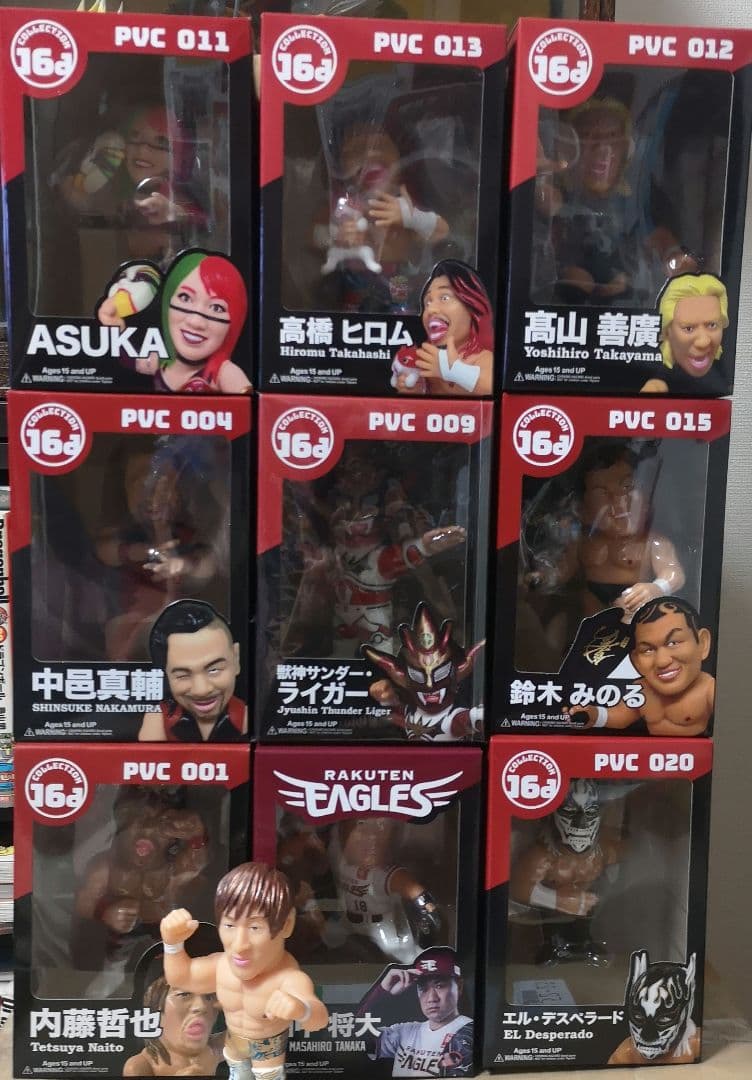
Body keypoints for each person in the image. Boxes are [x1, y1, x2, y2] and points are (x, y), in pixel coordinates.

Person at [159, 862, 329, 1080]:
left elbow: (318, 1019)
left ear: (286, 925)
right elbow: (181, 978)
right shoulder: (222, 966)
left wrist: (300, 1009)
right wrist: (172, 945)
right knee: (238, 1074)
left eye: (255, 927)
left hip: (267, 1049)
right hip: (233, 1045)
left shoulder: (287, 978)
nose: (239, 945)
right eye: (229, 925)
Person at [525, 441, 685, 621]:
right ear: (582, 509)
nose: (618, 502)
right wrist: (545, 577)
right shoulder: (583, 541)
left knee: (631, 619)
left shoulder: (653, 543)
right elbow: (565, 568)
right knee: (585, 617)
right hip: (592, 598)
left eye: (627, 487)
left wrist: (657, 588)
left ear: (647, 500)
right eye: (602, 493)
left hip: (633, 599)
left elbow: (674, 573)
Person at [317, 124, 449, 313]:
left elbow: (442, 231)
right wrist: (336, 235)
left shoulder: (407, 203)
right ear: (339, 166)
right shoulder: (343, 203)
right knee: (350, 306)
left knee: (401, 307)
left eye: (381, 146)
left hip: (396, 274)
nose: (370, 155)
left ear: (403, 158)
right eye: (356, 151)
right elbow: (314, 236)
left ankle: (400, 317)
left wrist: (408, 217)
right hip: (356, 274)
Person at [56, 104, 205, 266]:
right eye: (134, 137)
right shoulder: (113, 189)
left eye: (161, 142)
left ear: (179, 154)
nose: (143, 149)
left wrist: (177, 213)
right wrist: (77, 200)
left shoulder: (176, 196)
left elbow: (204, 225)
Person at [98, 250, 251, 393]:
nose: (195, 322)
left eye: (217, 308)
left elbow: (252, 407)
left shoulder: (225, 373)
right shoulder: (162, 360)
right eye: (185, 297)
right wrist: (113, 323)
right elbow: (127, 357)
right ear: (167, 302)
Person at [510, 780, 622, 968]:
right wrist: (556, 900)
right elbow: (519, 887)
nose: (581, 822)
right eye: (571, 812)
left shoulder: (603, 850)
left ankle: (585, 944)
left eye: (589, 813)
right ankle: (554, 946)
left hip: (589, 912)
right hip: (551, 916)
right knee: (553, 927)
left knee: (587, 923)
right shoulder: (543, 854)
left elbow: (633, 854)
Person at [566, 597, 714, 736]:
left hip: (694, 753)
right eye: (648, 650)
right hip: (645, 752)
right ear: (635, 660)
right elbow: (621, 716)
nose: (662, 661)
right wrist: (595, 716)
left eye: (673, 643)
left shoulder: (709, 689)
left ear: (703, 643)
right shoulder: (641, 689)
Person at [364, 601, 484, 742]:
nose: (429, 684)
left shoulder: (452, 719)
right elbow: (388, 714)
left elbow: (474, 719)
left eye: (440, 673)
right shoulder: (410, 711)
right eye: (417, 675)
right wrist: (384, 693)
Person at [139, 600, 247, 742]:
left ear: (236, 658)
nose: (201, 690)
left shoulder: (245, 717)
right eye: (183, 675)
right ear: (165, 675)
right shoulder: (158, 720)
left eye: (214, 670)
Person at [356, 947, 473, 1077]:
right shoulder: (405, 1032)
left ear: (459, 986)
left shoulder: (468, 1031)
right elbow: (354, 1037)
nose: (431, 998)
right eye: (423, 988)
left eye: (439, 986)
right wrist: (383, 989)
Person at [392, 260, 493, 396]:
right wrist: (415, 389)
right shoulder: (428, 357)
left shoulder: (482, 357)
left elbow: (490, 387)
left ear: (473, 307)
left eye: (445, 298)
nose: (430, 309)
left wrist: (453, 371)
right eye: (428, 302)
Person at [608, 951, 700, 1065]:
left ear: (686, 1011)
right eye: (638, 1017)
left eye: (664, 1019)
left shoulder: (694, 1043)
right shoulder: (626, 1052)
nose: (647, 1036)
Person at [641, 273, 729, 393]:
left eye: (712, 325)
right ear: (668, 331)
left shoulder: (723, 375)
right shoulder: (658, 383)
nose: (703, 342)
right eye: (688, 328)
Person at [123, 975, 223, 1076]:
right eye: (184, 994)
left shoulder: (213, 1048)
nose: (202, 1006)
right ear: (156, 1005)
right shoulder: (141, 1066)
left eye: (208, 997)